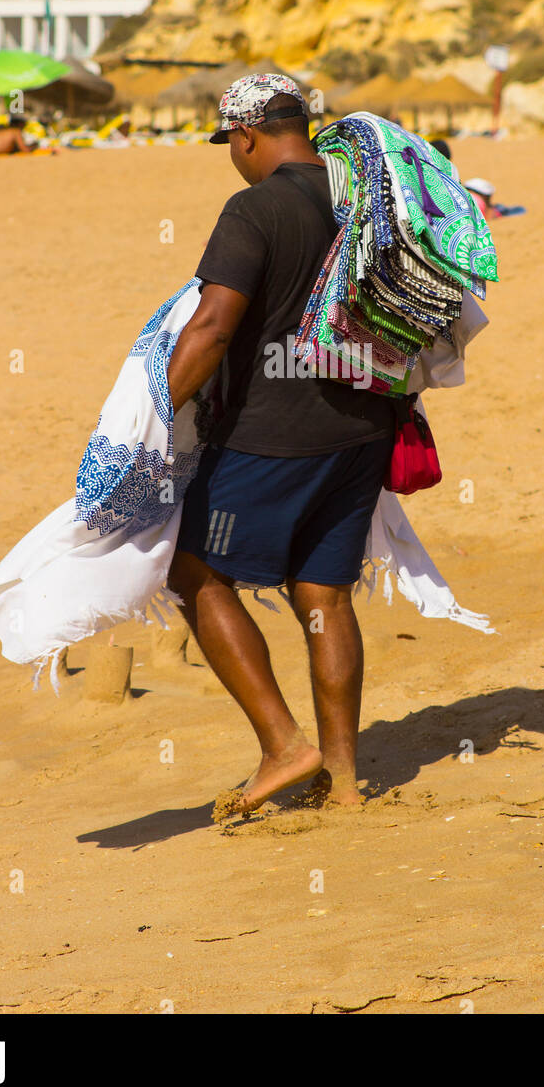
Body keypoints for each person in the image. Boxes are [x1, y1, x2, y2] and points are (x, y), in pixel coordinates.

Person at [164, 74, 397, 818]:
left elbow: (212, 328)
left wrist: (149, 416)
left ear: (246, 135)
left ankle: (282, 745)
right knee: (323, 594)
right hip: (362, 431)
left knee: (192, 570)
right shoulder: (362, 199)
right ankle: (346, 780)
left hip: (271, 441)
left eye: (230, 143)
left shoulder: (254, 208)